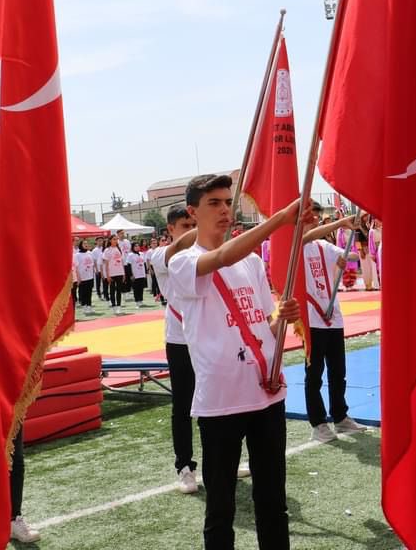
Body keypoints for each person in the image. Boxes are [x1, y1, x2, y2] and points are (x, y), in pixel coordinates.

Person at [165, 174, 312, 550]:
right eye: (214, 203)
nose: (224, 210)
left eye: (228, 202)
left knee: (273, 503)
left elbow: (267, 325)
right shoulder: (183, 263)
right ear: (192, 212)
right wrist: (280, 219)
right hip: (221, 403)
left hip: (267, 394)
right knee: (221, 507)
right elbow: (220, 257)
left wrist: (284, 316)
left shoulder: (251, 266)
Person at [147, 205, 222, 494]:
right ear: (170, 230)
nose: (191, 230)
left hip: (210, 337)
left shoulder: (206, 254)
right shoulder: (160, 255)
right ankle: (185, 467)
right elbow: (179, 246)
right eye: (185, 226)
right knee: (183, 406)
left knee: (215, 403)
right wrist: (202, 230)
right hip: (180, 341)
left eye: (194, 224)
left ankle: (218, 460)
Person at [301, 203, 367, 443]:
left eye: (317, 218)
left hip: (333, 316)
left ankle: (340, 417)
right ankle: (318, 423)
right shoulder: (295, 244)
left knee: (338, 372)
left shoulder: (322, 246)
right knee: (314, 374)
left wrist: (347, 256)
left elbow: (350, 256)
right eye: (312, 218)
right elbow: (304, 236)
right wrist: (340, 222)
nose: (316, 222)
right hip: (311, 318)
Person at [102, 236, 126, 315]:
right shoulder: (107, 250)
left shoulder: (119, 249)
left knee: (119, 290)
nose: (115, 241)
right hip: (111, 273)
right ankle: (114, 306)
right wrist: (107, 275)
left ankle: (119, 306)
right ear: (110, 240)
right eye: (114, 239)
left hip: (119, 272)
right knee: (112, 290)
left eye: (116, 239)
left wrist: (124, 273)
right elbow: (106, 264)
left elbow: (122, 262)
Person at [73, 240, 97, 316]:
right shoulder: (77, 255)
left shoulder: (90, 253)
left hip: (90, 276)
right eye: (84, 244)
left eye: (87, 243)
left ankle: (89, 306)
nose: (86, 245)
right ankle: (84, 306)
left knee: (89, 292)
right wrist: (78, 277)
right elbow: (76, 267)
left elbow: (92, 264)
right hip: (82, 277)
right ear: (81, 245)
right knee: (83, 293)